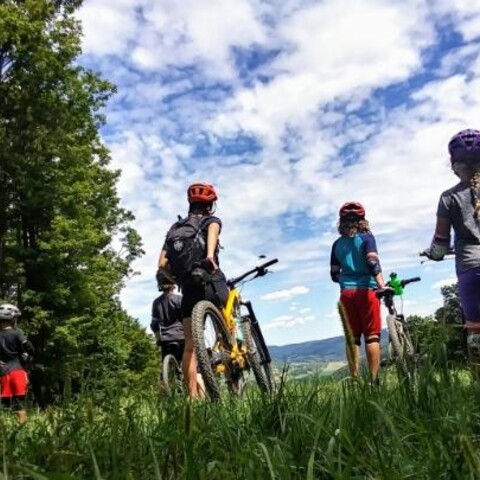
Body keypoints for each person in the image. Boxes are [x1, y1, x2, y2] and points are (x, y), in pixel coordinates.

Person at [158, 182, 229, 398]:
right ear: (211, 205)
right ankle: (232, 356)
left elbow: (161, 265)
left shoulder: (174, 229)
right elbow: (212, 241)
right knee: (227, 328)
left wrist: (177, 279)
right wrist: (209, 257)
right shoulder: (212, 220)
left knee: (189, 346)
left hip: (188, 289)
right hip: (211, 282)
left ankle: (192, 399)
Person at [424, 129, 480, 370]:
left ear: (454, 165)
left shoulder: (448, 198)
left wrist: (433, 254)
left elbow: (440, 245)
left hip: (471, 268)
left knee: (476, 333)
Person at [330, 202, 386, 381]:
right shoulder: (367, 238)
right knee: (372, 337)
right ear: (362, 220)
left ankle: (355, 381)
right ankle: (374, 380)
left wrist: (347, 283)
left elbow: (334, 274)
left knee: (352, 338)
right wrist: (381, 285)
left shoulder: (336, 244)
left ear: (342, 222)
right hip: (368, 291)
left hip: (346, 294)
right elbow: (372, 263)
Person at [0, 303, 34, 423]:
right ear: (13, 319)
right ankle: (22, 429)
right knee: (20, 402)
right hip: (18, 370)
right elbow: (30, 348)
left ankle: (8, 431)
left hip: (4, 373)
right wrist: (25, 356)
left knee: (6, 403)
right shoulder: (17, 333)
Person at [150, 271, 184, 371]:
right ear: (173, 284)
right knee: (193, 366)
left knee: (168, 370)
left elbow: (154, 324)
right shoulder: (180, 299)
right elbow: (186, 319)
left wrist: (158, 339)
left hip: (166, 340)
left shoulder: (156, 303)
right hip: (182, 337)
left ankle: (166, 383)